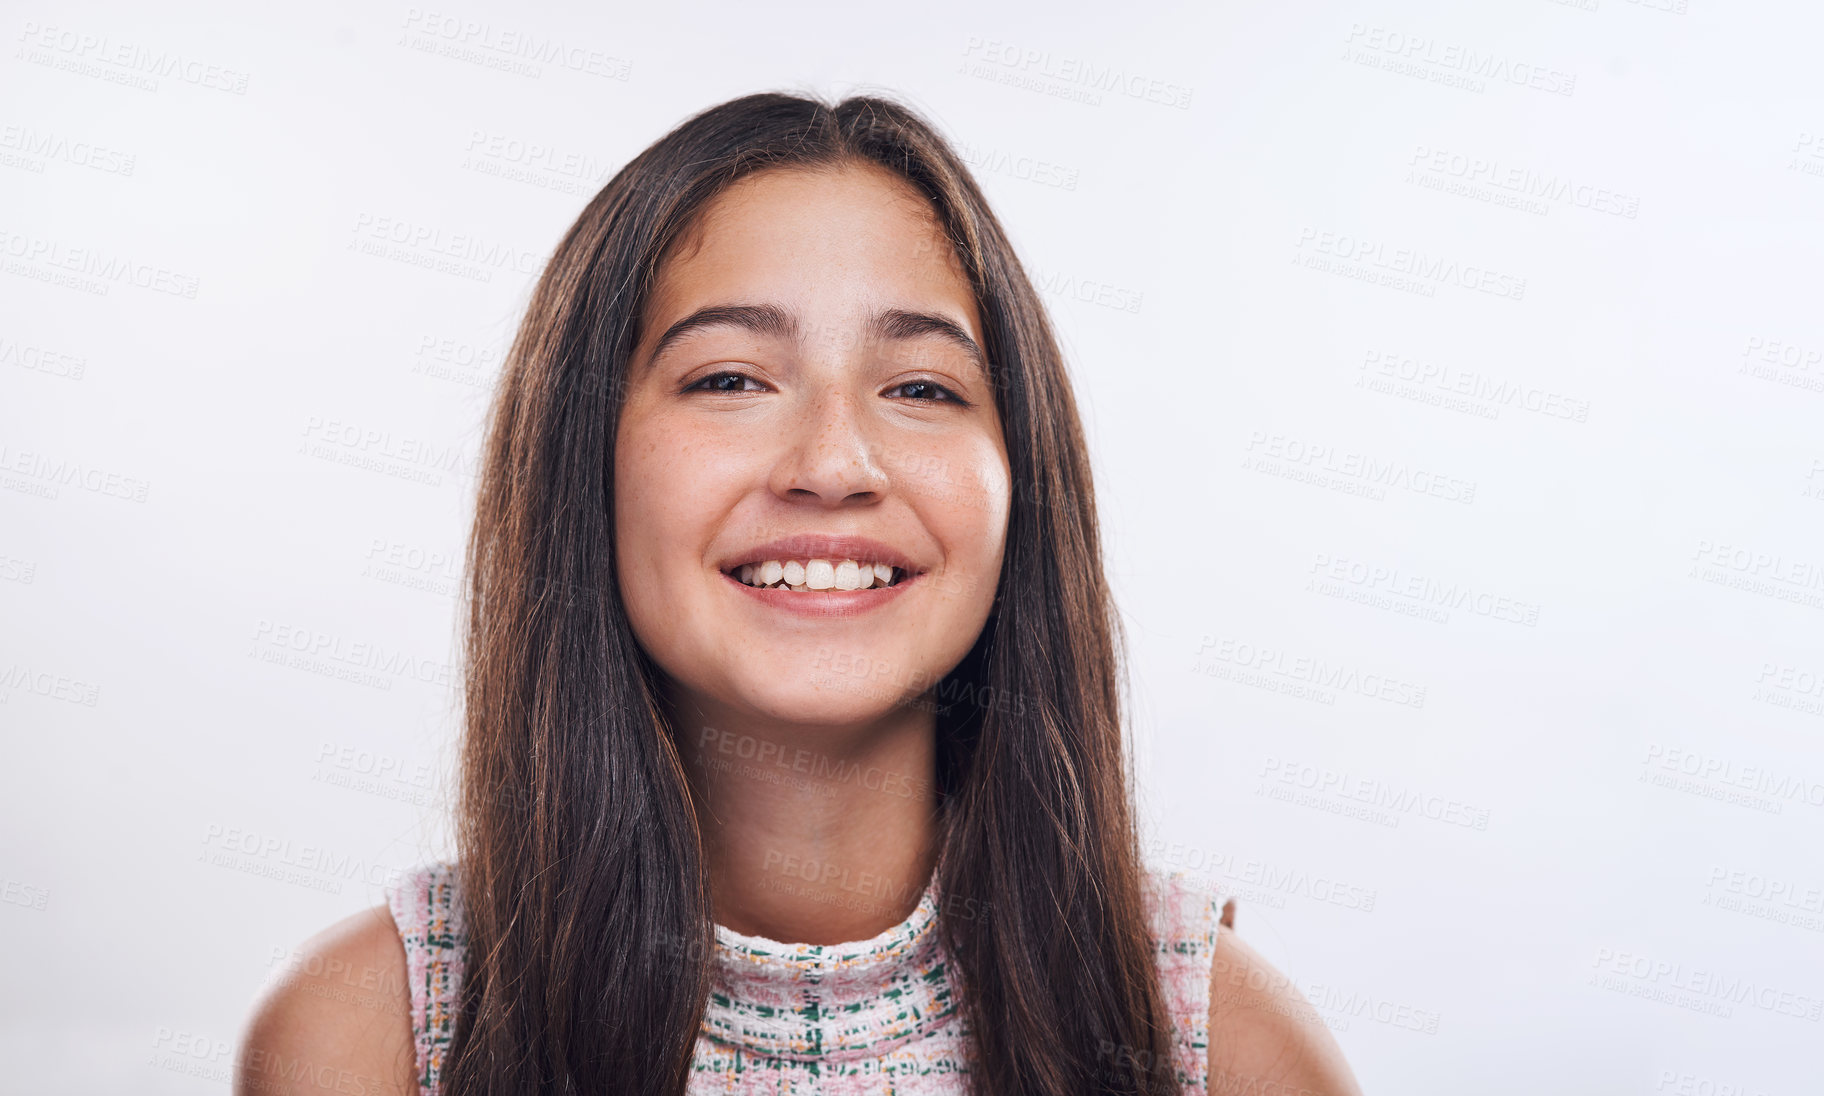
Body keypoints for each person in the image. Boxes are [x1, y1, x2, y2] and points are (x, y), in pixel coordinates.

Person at [234, 91, 1363, 1096]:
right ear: (586, 460)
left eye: (922, 385)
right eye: (729, 379)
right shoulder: (369, 1041)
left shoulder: (1218, 1047)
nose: (832, 462)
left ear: (1023, 478)